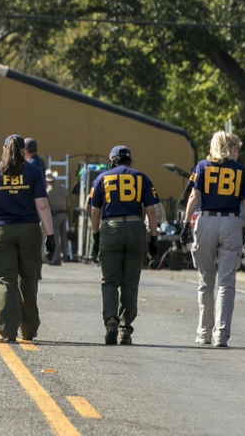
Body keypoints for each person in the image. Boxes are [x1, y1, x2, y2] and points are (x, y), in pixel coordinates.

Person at [179, 131, 245, 348]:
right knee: (226, 283)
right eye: (237, 149)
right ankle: (221, 335)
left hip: (206, 220)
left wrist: (185, 223)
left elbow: (194, 196)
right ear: (232, 148)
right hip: (231, 222)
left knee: (205, 281)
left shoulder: (203, 166)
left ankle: (204, 333)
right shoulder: (242, 172)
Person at [0, 135, 56, 342]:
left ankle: (7, 330)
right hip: (29, 230)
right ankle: (29, 330)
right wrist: (50, 235)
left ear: (4, 149)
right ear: (24, 150)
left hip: (1, 230)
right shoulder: (33, 171)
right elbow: (42, 206)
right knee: (28, 279)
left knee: (6, 280)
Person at [88, 145, 159, 345]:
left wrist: (95, 237)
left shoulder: (102, 178)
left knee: (110, 281)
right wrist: (154, 238)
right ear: (129, 161)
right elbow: (151, 211)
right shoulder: (141, 178)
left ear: (111, 161)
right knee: (130, 282)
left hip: (111, 228)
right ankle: (125, 330)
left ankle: (111, 320)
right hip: (136, 228)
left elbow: (94, 211)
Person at [46, 169, 71, 265]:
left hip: (54, 215)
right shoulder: (63, 189)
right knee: (64, 236)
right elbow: (68, 203)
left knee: (55, 237)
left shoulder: (48, 191)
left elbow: (46, 206)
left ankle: (56, 258)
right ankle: (65, 256)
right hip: (64, 214)